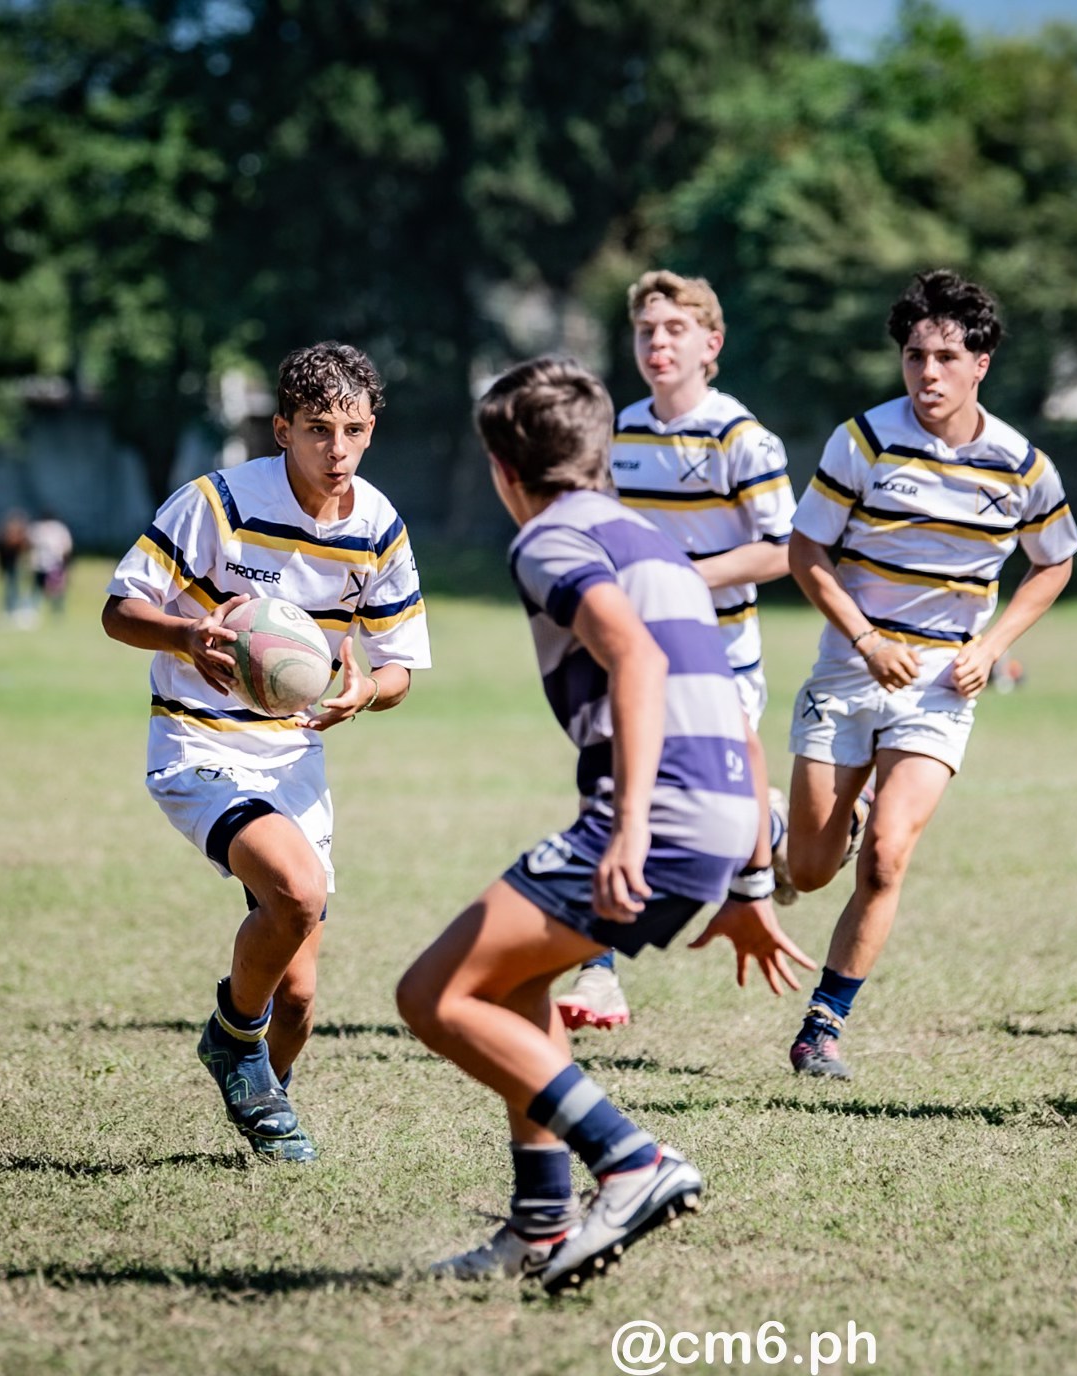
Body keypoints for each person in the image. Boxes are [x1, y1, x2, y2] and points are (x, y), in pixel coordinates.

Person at [396, 356, 813, 1292]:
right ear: (601, 451)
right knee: (519, 981)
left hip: (656, 812)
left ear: (504, 470)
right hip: (720, 811)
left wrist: (627, 831)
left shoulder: (547, 540)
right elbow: (737, 721)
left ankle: (630, 1160)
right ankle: (541, 1228)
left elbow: (633, 659)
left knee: (433, 996)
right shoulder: (654, 541)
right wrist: (748, 881)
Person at [102, 341, 430, 1162]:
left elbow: (398, 668)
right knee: (295, 888)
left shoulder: (378, 525)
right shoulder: (215, 503)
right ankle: (230, 1038)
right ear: (281, 428)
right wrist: (187, 632)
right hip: (196, 738)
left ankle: (262, 1109)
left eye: (354, 429)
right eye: (318, 429)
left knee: (304, 997)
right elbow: (118, 609)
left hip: (292, 757)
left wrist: (364, 694)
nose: (338, 449)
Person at [778, 269, 1077, 1080]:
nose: (928, 374)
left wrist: (991, 644)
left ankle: (822, 1026)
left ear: (981, 362)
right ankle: (794, 837)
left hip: (942, 686)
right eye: (914, 356)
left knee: (884, 857)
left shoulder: (1020, 464)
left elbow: (1054, 563)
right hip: (848, 673)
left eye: (946, 356)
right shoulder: (863, 441)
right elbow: (804, 551)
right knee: (807, 871)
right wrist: (866, 637)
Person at [554, 270, 797, 1033]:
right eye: (646, 332)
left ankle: (769, 833)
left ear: (710, 344)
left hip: (722, 653)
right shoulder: (618, 431)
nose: (658, 344)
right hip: (637, 653)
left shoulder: (742, 438)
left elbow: (785, 550)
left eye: (675, 331)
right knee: (617, 795)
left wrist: (680, 580)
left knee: (691, 807)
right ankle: (599, 974)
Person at [28, 512, 73, 618]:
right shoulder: (40, 529)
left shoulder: (41, 529)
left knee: (55, 589)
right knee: (41, 589)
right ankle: (37, 610)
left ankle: (56, 611)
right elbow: (67, 547)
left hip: (52, 564)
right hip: (44, 564)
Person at [0, 509, 32, 624]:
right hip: (11, 564)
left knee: (19, 589)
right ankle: (11, 610)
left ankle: (19, 610)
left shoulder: (19, 534)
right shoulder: (9, 535)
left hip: (18, 565)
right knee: (12, 588)